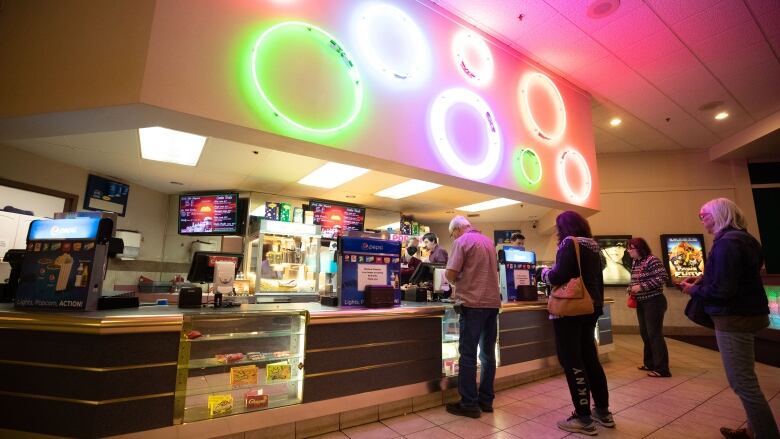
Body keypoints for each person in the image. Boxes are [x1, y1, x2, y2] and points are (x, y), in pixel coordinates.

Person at [680, 198, 778, 439]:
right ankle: (754, 430)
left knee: (742, 383)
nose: (701, 219)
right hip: (748, 314)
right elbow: (734, 277)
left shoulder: (726, 244)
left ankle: (766, 434)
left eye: (704, 214)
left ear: (720, 213)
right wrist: (703, 279)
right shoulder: (745, 239)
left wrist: (693, 290)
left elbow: (723, 290)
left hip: (734, 319)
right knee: (746, 378)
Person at [537, 211, 613, 436]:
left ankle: (583, 418)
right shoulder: (594, 245)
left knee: (572, 360)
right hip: (591, 307)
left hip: (571, 309)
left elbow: (558, 275)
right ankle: (603, 411)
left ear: (565, 227)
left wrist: (543, 273)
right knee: (590, 359)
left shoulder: (570, 243)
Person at [444, 216, 501, 419]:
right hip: (492, 304)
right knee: (487, 354)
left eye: (452, 233)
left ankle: (468, 403)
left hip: (472, 304)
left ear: (458, 229)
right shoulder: (489, 242)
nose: (453, 237)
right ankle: (486, 401)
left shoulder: (461, 242)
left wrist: (454, 280)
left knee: (468, 354)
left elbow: (450, 274)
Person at [626, 237, 671, 378]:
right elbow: (636, 280)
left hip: (654, 301)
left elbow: (663, 277)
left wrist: (642, 287)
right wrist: (631, 288)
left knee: (654, 334)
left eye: (630, 248)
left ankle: (662, 368)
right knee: (645, 333)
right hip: (642, 302)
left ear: (640, 248)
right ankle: (650, 363)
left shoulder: (652, 260)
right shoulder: (635, 262)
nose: (628, 251)